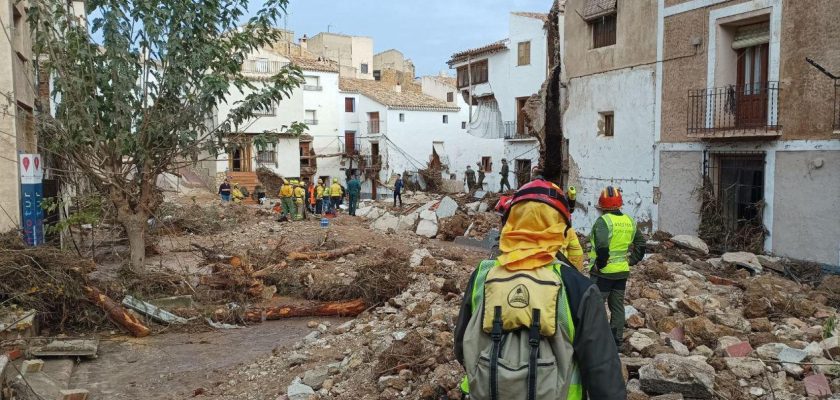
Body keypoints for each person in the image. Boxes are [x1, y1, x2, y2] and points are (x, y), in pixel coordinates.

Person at [455, 179, 625, 399]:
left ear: (510, 223)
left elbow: (461, 346)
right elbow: (603, 373)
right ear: (562, 229)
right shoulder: (578, 288)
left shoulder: (483, 275)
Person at [588, 186, 646, 349]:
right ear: (620, 204)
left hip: (604, 274)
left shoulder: (603, 221)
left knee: (595, 306)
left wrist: (601, 264)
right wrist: (632, 261)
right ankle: (616, 340)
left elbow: (602, 246)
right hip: (621, 272)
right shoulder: (629, 221)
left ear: (602, 206)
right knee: (617, 307)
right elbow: (641, 244)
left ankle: (595, 340)